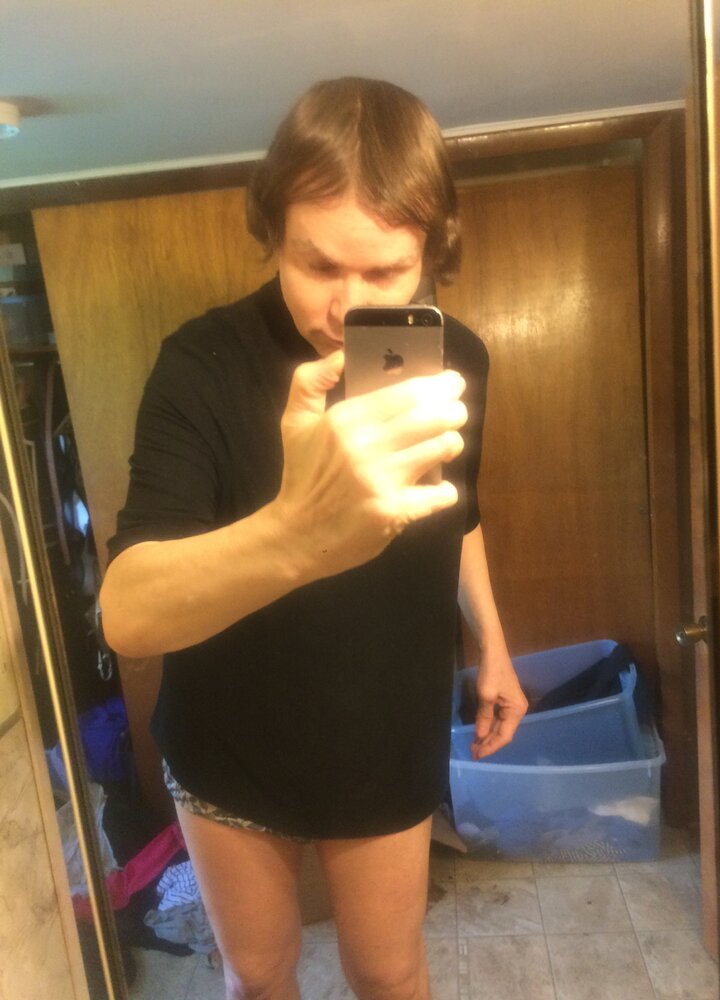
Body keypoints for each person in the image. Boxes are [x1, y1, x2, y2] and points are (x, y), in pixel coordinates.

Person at [100, 77, 527, 1000]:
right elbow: (127, 613)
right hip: (230, 733)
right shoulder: (201, 363)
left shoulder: (458, 357)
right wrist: (296, 531)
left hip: (387, 723)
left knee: (389, 971)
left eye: (386, 272)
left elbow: (458, 510)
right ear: (272, 234)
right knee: (259, 976)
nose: (345, 306)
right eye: (318, 265)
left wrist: (492, 642)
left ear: (432, 252)